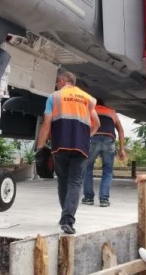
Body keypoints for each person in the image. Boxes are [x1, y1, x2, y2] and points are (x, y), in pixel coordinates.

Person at [36, 71, 100, 234]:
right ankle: (67, 219)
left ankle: (65, 216)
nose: (57, 85)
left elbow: (46, 123)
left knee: (62, 181)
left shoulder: (55, 97)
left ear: (62, 81)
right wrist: (86, 136)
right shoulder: (87, 98)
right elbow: (97, 124)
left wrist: (40, 146)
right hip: (81, 147)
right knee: (75, 182)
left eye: (57, 82)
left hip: (60, 146)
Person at [82, 98, 126, 207]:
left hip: (93, 139)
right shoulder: (111, 111)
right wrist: (121, 149)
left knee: (87, 168)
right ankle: (104, 199)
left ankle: (88, 198)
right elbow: (120, 130)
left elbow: (83, 127)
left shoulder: (89, 109)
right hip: (109, 140)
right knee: (107, 171)